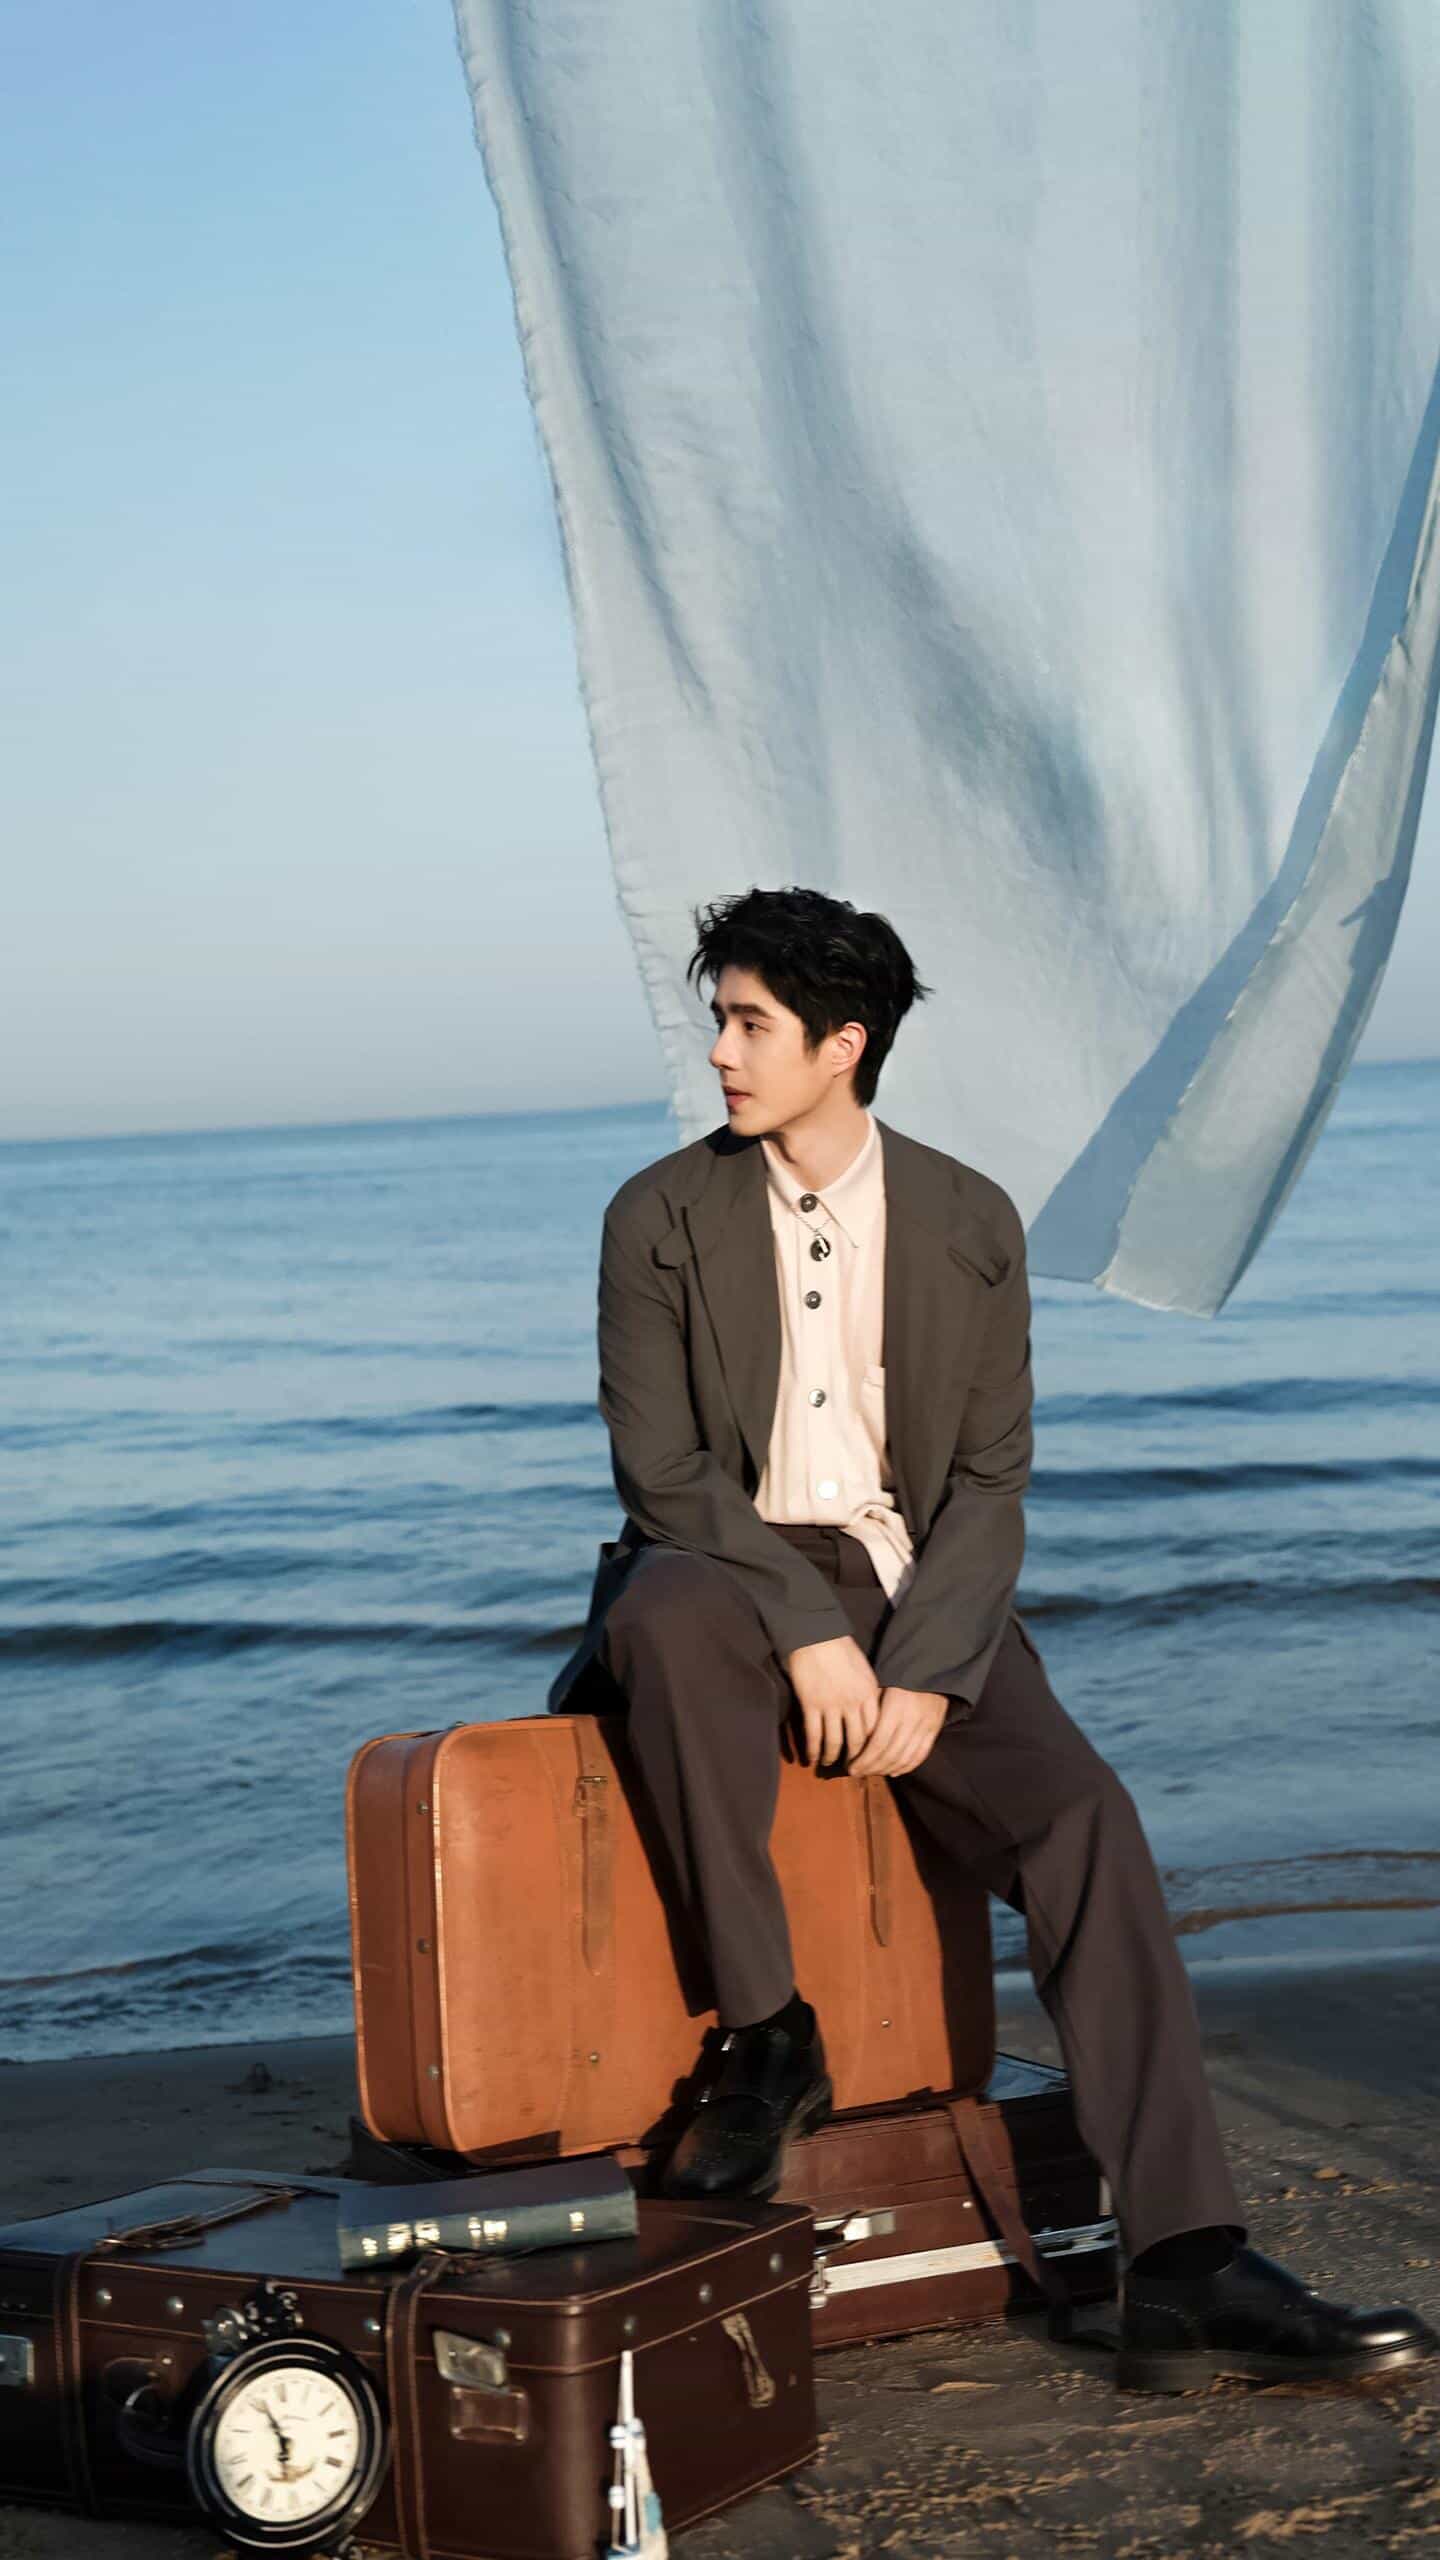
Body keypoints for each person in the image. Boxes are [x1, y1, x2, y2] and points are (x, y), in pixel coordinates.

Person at [551, 884, 1434, 2396]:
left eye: (750, 1023)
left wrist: (927, 1664)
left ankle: (1185, 2258)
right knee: (670, 1622)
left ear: (844, 1043)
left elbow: (989, 1479)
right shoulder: (660, 1217)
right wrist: (807, 1634)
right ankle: (769, 2038)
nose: (720, 1052)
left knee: (1086, 1817)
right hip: (721, 1561)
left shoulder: (968, 1220)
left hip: (917, 1580)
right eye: (720, 1020)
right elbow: (666, 1475)